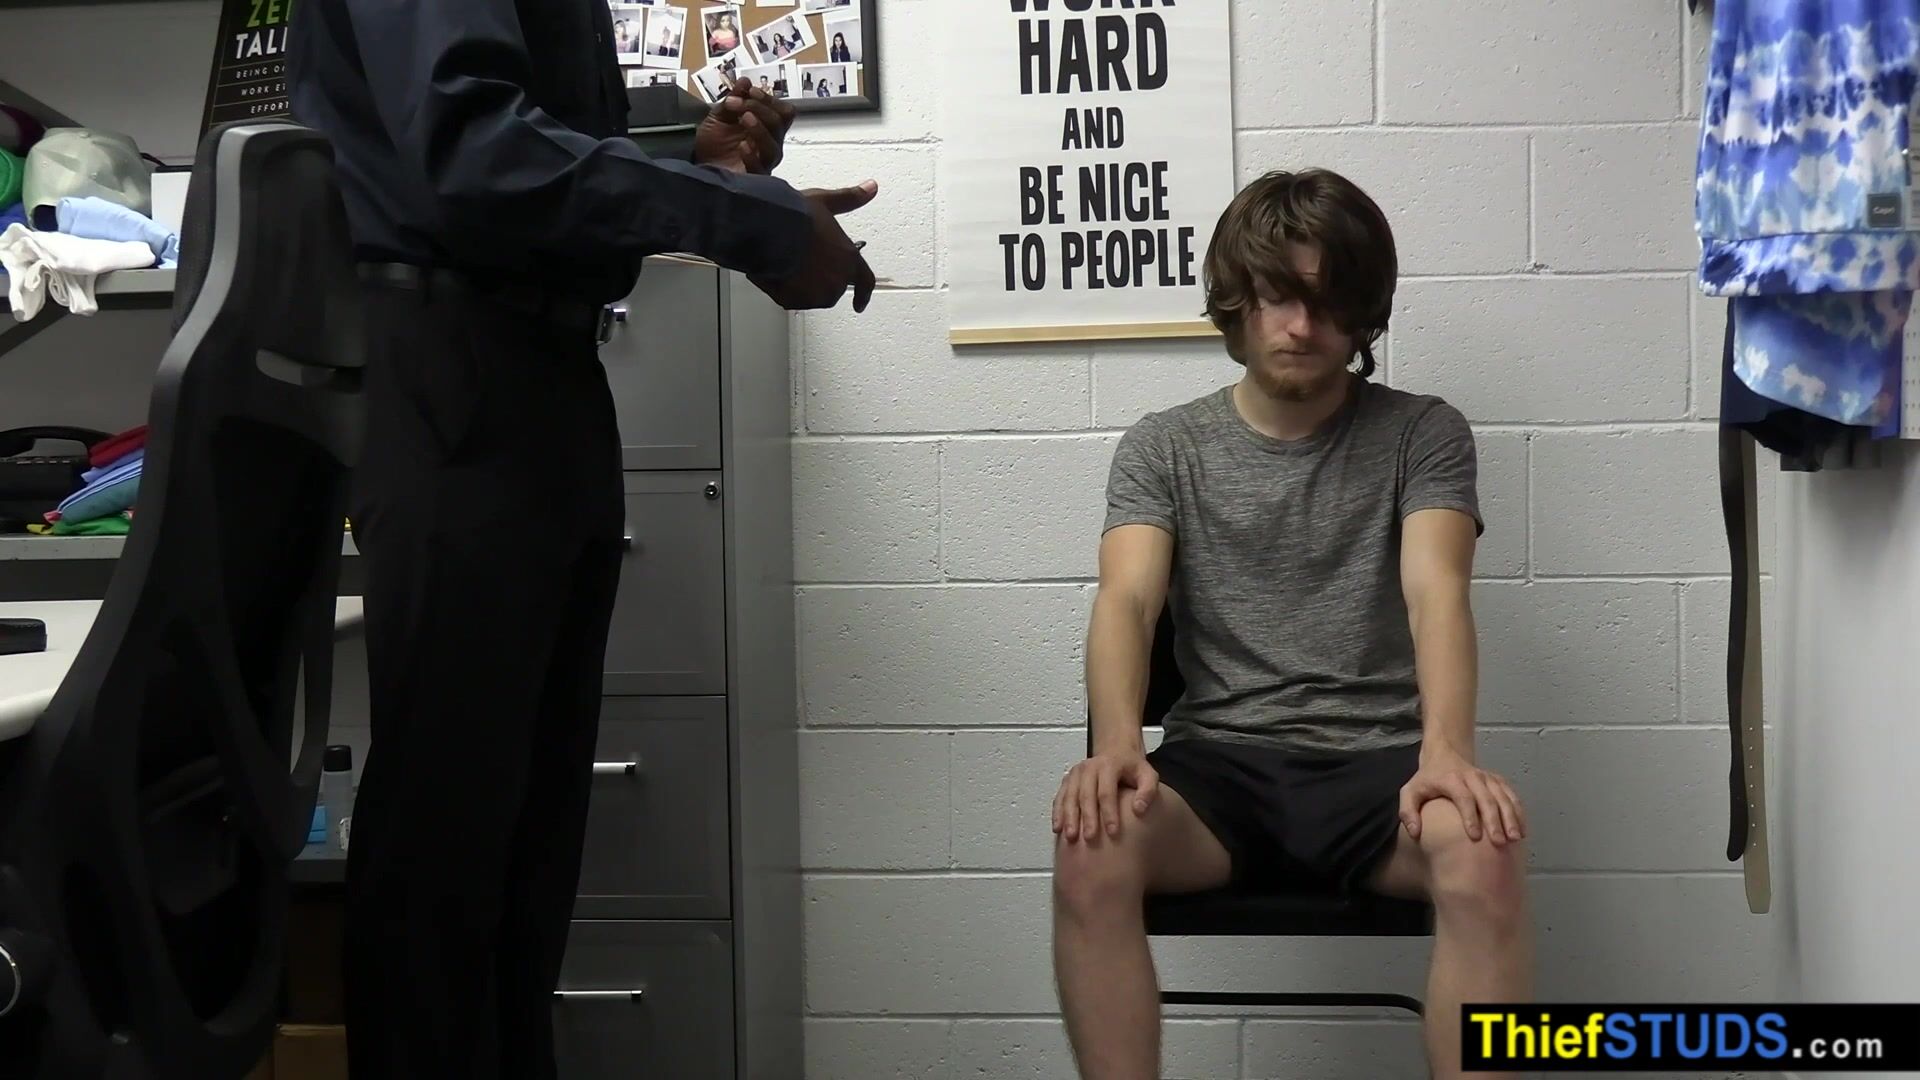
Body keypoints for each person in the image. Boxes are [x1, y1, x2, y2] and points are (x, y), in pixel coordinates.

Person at [286, 1, 877, 1077]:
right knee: (452, 840)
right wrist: (760, 222)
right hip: (452, 364)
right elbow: (474, 157)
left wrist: (683, 163)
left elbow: (514, 146)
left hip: (537, 371)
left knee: (526, 841)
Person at [1049, 168, 1532, 1080]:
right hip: (1218, 774)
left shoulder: (1424, 433)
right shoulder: (1164, 445)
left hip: (1379, 771)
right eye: (1277, 296)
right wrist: (1115, 748)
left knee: (1485, 850)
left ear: (1362, 313)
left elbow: (1437, 590)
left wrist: (1448, 754)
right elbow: (1127, 599)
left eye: (1325, 300)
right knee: (1092, 843)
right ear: (1237, 303)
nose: (1301, 327)